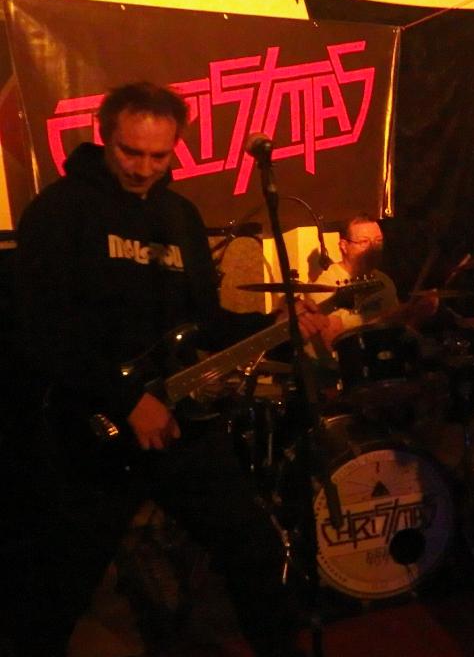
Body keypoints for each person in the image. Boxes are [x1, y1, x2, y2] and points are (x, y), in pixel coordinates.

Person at [3, 82, 327, 657]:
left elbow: (203, 320)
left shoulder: (180, 216)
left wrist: (276, 323)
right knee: (54, 589)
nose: (144, 168)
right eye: (131, 152)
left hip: (177, 420)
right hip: (91, 428)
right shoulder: (61, 210)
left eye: (159, 155)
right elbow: (39, 328)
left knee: (253, 546)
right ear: (105, 136)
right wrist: (125, 400)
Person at [309, 212, 399, 346]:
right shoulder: (325, 285)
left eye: (378, 241)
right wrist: (384, 321)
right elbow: (335, 343)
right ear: (344, 246)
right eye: (364, 242)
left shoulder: (384, 280)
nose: (373, 248)